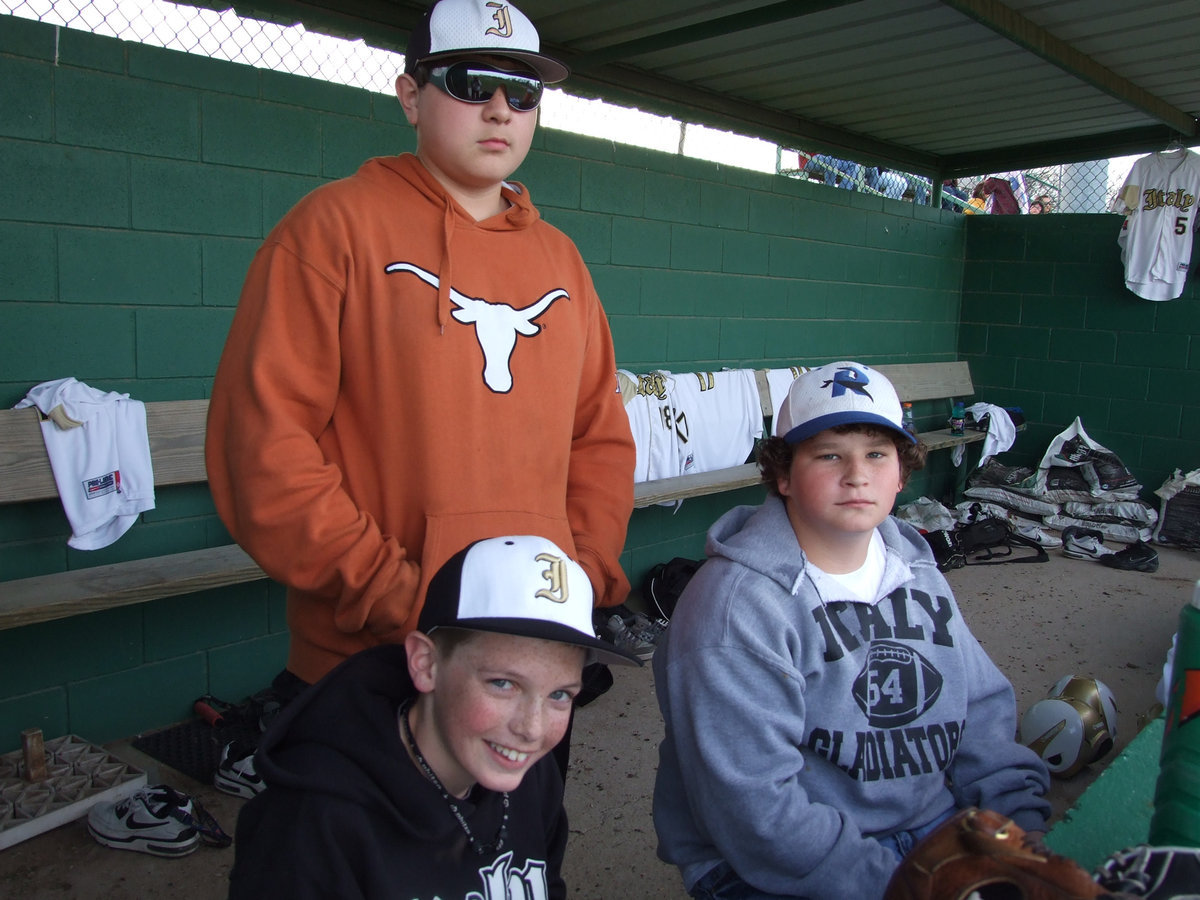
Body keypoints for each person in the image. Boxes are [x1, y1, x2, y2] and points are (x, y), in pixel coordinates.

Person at [204, 0, 636, 702]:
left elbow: (600, 440)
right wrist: (399, 597)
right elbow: (263, 447)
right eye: (471, 83)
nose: (500, 109)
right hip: (374, 656)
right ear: (411, 96)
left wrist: (578, 580)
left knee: (525, 817)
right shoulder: (332, 229)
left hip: (535, 646)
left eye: (522, 92)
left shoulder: (562, 262)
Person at [652, 361, 1051, 900]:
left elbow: (980, 712)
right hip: (764, 861)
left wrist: (1022, 833)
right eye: (829, 454)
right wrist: (907, 888)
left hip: (927, 827)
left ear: (902, 473)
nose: (857, 474)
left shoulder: (917, 570)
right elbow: (755, 813)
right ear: (783, 474)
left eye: (877, 453)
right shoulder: (734, 607)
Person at [227, 534, 641, 899]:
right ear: (425, 664)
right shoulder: (310, 827)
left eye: (559, 694)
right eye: (503, 684)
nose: (531, 729)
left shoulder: (534, 778)